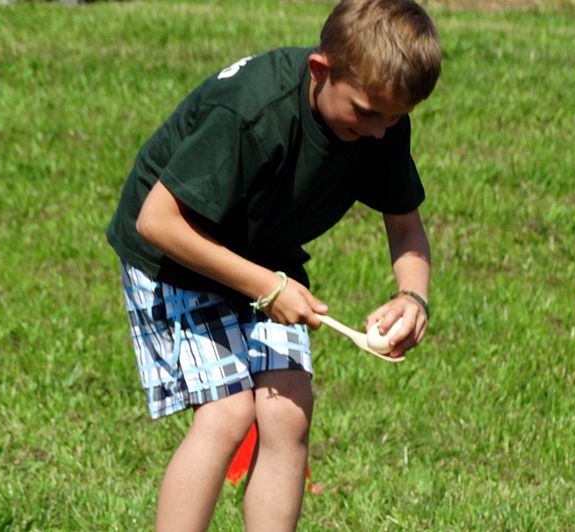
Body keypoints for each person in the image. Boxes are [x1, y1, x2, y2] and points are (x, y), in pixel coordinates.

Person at [105, 0, 440, 529]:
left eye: (395, 118)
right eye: (366, 112)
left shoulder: (381, 119)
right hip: (180, 249)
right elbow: (158, 221)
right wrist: (267, 287)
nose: (379, 131)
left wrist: (411, 296)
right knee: (228, 413)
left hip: (264, 255)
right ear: (320, 71)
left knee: (288, 412)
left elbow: (405, 227)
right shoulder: (250, 111)